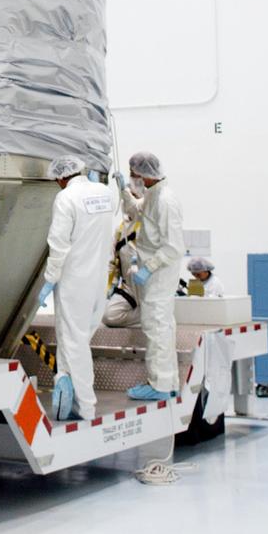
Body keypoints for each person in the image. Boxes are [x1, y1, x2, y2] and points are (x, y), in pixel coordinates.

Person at [36, 156, 115, 421]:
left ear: (61, 178)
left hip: (74, 281)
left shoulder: (66, 199)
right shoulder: (104, 193)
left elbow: (59, 244)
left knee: (74, 341)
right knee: (77, 340)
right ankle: (66, 390)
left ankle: (86, 406)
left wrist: (50, 279)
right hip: (98, 280)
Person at [120, 151, 185, 401]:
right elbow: (137, 211)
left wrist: (149, 267)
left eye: (134, 175)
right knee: (159, 327)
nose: (133, 178)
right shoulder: (152, 194)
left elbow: (173, 246)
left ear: (145, 174)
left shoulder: (165, 201)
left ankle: (160, 386)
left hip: (159, 273)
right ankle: (166, 382)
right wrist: (124, 191)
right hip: (154, 273)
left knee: (157, 327)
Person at [103, 210, 143, 329]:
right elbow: (113, 261)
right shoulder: (121, 229)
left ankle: (154, 314)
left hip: (150, 287)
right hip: (129, 289)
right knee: (109, 316)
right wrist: (110, 286)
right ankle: (148, 315)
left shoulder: (152, 227)